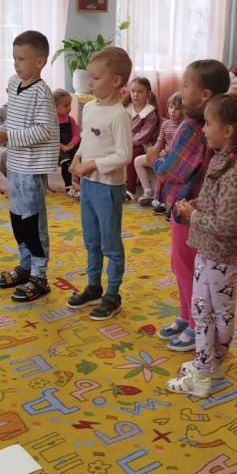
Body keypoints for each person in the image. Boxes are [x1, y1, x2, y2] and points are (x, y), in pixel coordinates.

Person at [166, 93, 237, 398]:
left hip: (220, 255)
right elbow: (217, 205)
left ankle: (202, 375)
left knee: (212, 313)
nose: (203, 129)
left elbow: (227, 225)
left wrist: (194, 215)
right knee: (206, 309)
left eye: (208, 123)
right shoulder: (223, 159)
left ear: (227, 130)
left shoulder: (236, 173)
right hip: (209, 251)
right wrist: (196, 205)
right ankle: (212, 363)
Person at [149, 59, 230, 351]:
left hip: (188, 208)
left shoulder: (191, 127)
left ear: (204, 95)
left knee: (186, 267)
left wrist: (154, 159)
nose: (181, 90)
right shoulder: (204, 125)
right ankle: (186, 315)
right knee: (180, 264)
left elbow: (172, 171)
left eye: (185, 86)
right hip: (189, 207)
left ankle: (196, 326)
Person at [0, 30, 59, 302]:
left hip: (31, 167)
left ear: (39, 62)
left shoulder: (42, 93)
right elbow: (15, 122)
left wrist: (8, 136)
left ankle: (40, 275)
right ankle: (25, 265)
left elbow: (43, 131)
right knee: (17, 218)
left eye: (21, 59)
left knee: (32, 222)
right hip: (15, 164)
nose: (16, 64)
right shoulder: (14, 83)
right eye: (14, 58)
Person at [66, 47, 134, 320]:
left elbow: (124, 155)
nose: (90, 83)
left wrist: (92, 165)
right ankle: (94, 287)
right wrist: (77, 158)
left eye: (95, 78)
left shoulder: (120, 115)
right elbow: (86, 138)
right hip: (89, 185)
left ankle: (113, 295)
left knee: (111, 244)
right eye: (89, 77)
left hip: (108, 187)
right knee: (92, 240)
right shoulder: (91, 107)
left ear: (116, 81)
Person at [135, 92, 182, 214]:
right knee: (138, 161)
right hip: (163, 155)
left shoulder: (184, 126)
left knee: (163, 166)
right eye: (171, 107)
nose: (173, 111)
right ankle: (148, 192)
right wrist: (153, 152)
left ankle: (163, 200)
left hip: (176, 158)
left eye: (177, 108)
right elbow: (160, 142)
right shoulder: (165, 124)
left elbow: (180, 147)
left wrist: (164, 154)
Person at [124, 76, 160, 202]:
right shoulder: (126, 108)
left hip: (144, 144)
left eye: (140, 91)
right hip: (126, 141)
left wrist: (127, 143)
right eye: (133, 91)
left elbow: (144, 135)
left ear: (148, 94)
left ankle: (131, 190)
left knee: (133, 153)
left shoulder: (150, 112)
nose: (135, 94)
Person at [53, 89, 81, 198]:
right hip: (58, 148)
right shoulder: (52, 121)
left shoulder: (70, 120)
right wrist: (62, 146)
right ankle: (68, 186)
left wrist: (71, 145)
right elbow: (51, 138)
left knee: (79, 161)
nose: (69, 108)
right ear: (55, 107)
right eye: (65, 106)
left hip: (71, 146)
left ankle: (82, 185)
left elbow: (76, 135)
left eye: (70, 105)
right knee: (67, 163)